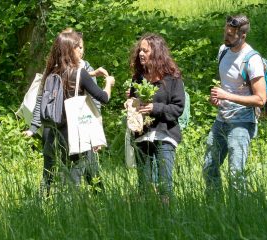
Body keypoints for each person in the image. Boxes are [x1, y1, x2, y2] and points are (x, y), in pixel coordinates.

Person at [24, 29, 115, 196]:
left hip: (54, 131)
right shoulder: (80, 73)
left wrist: (34, 126)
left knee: (51, 172)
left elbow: (42, 99)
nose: (81, 50)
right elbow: (103, 98)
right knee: (77, 174)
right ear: (69, 49)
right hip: (75, 131)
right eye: (78, 47)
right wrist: (109, 83)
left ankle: (43, 204)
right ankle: (78, 208)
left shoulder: (51, 71)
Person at [203, 15, 267, 194]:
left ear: (243, 36)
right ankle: (214, 212)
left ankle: (238, 216)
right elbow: (228, 87)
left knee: (236, 174)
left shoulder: (252, 59)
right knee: (209, 167)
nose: (226, 37)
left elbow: (260, 99)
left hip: (242, 122)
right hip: (221, 119)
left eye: (231, 35)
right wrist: (218, 98)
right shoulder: (223, 50)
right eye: (225, 33)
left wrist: (227, 96)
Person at [128, 33, 185, 203]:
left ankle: (167, 222)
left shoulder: (172, 78)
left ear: (157, 52)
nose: (141, 54)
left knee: (164, 187)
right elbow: (132, 100)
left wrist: (155, 108)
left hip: (165, 134)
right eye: (140, 50)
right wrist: (130, 104)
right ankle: (145, 222)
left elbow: (178, 108)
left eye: (145, 50)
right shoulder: (137, 78)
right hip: (142, 136)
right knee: (143, 188)